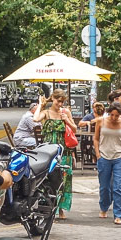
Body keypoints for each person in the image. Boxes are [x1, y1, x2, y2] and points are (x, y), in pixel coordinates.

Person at [36, 90, 76, 219]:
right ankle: (47, 207)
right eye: (58, 101)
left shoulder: (65, 113)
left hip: (63, 151)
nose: (60, 104)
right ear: (53, 99)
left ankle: (60, 209)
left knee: (63, 180)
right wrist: (40, 105)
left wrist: (67, 120)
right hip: (48, 152)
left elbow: (75, 129)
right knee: (47, 179)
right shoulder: (46, 113)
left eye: (62, 102)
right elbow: (35, 118)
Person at [95, 102, 121, 225]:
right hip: (104, 156)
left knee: (118, 187)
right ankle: (104, 207)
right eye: (112, 115)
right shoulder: (101, 121)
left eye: (117, 115)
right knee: (104, 187)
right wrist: (98, 154)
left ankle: (118, 214)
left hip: (119, 157)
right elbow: (96, 138)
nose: (114, 118)